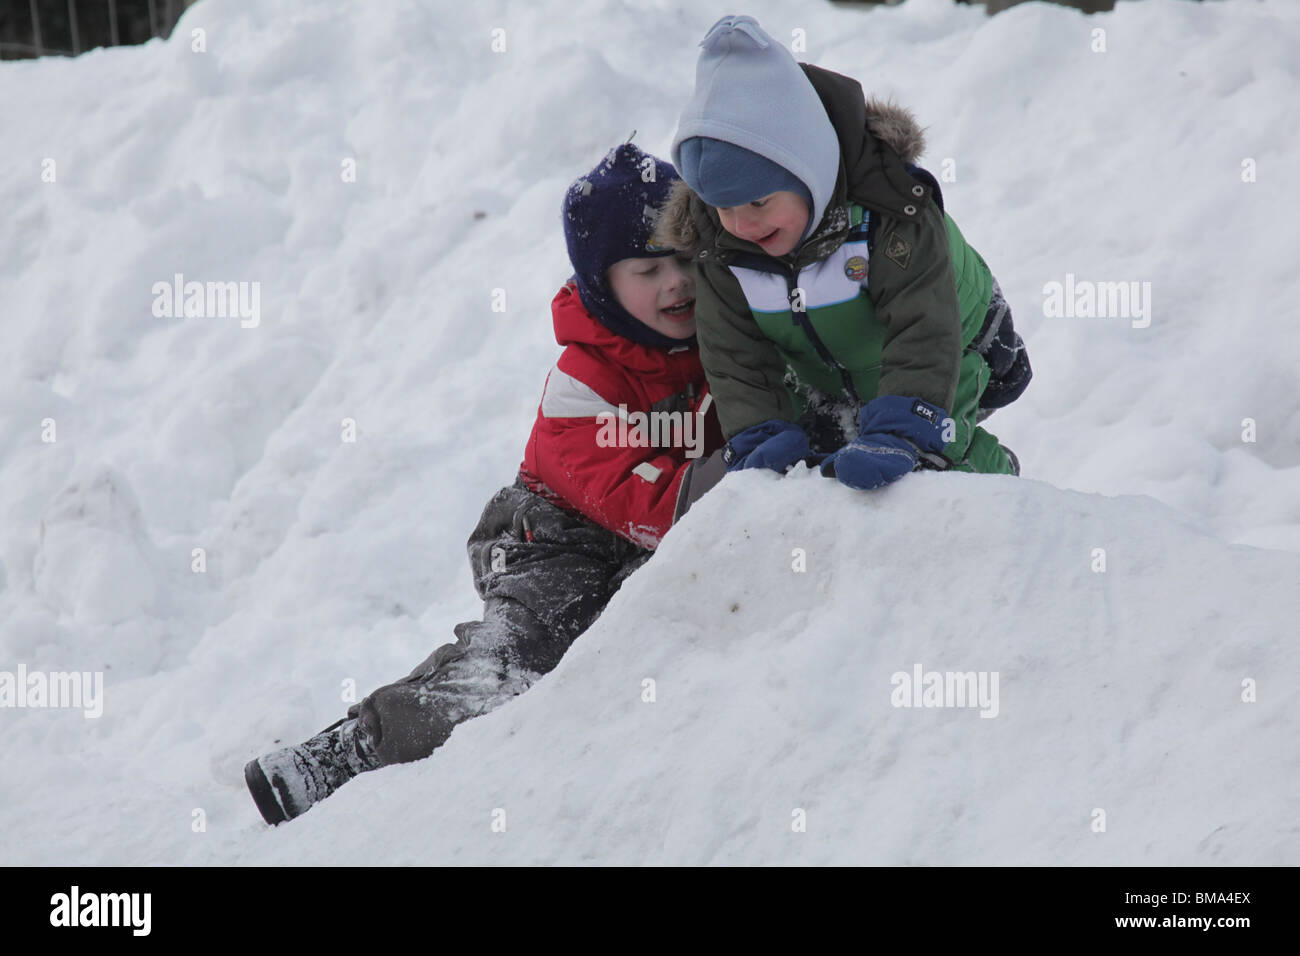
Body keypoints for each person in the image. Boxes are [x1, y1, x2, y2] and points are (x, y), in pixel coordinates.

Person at [244, 143, 725, 825]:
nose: (675, 281)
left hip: (644, 528)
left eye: (685, 259)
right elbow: (661, 511)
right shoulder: (581, 390)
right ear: (601, 285)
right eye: (648, 269)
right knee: (512, 664)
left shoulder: (718, 336)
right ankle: (353, 748)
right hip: (553, 539)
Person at [653, 15, 1032, 490]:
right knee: (821, 466)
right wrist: (759, 432)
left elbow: (923, 326)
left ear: (806, 171)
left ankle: (995, 486)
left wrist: (902, 429)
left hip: (952, 335)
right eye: (723, 207)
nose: (741, 225)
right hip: (834, 356)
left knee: (925, 463)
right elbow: (734, 353)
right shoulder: (720, 245)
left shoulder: (888, 210)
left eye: (758, 201)